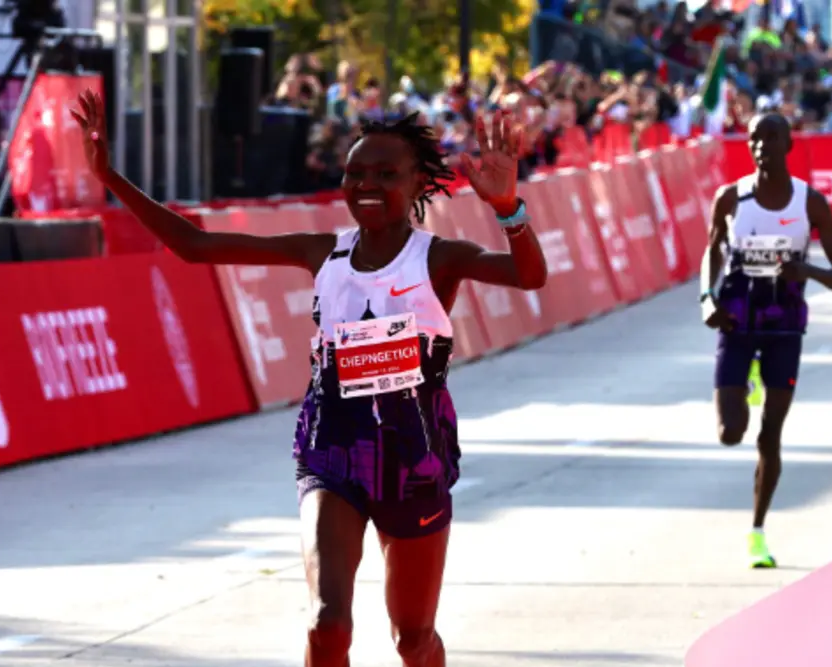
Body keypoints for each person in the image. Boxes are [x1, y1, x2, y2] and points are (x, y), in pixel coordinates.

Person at [70, 90, 548, 666]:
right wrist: (111, 178)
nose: (366, 185)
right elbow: (195, 247)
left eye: (385, 174)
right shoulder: (323, 253)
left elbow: (529, 278)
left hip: (413, 460)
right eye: (355, 173)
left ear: (420, 180)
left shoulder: (438, 258)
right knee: (328, 623)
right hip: (332, 451)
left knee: (413, 639)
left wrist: (508, 210)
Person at [699, 111, 832, 569]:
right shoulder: (730, 199)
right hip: (736, 322)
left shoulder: (810, 203)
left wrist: (805, 270)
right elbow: (712, 252)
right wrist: (708, 299)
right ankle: (747, 378)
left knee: (770, 436)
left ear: (789, 145)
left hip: (784, 326)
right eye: (754, 139)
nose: (762, 145)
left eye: (772, 137)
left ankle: (758, 531)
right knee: (731, 433)